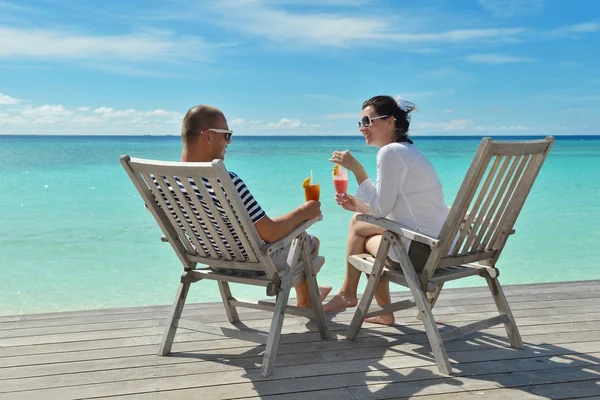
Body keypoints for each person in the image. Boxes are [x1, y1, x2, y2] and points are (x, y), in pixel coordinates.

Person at [176, 105, 331, 307]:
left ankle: (311, 296)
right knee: (308, 242)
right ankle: (307, 300)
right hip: (253, 263)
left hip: (210, 260)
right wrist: (303, 213)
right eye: (227, 135)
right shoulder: (225, 181)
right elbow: (271, 233)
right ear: (208, 136)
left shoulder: (161, 183)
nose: (229, 142)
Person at [323, 95, 449, 325]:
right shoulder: (409, 152)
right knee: (357, 221)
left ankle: (353, 296)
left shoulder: (390, 152)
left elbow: (382, 210)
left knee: (361, 238)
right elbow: (390, 209)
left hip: (423, 253)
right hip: (445, 247)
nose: (363, 128)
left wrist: (356, 168)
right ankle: (356, 297)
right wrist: (360, 206)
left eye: (367, 121)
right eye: (360, 123)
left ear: (390, 122)